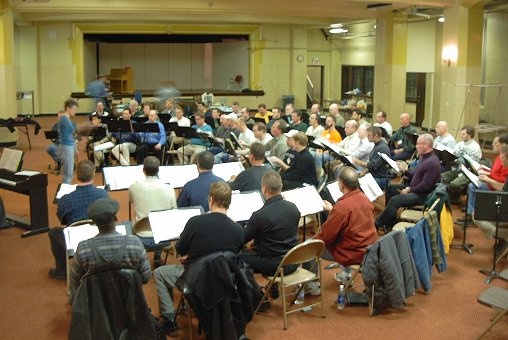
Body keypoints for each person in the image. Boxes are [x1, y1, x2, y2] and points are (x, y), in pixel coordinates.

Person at [154, 182, 245, 334]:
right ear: (229, 202)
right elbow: (231, 256)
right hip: (226, 280)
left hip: (196, 279)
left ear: (211, 200)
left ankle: (169, 320)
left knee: (159, 273)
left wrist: (191, 256)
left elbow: (179, 248)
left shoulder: (195, 222)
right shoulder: (238, 230)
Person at [69, 198, 151, 301]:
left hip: (96, 305)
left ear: (94, 222)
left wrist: (75, 301)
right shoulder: (135, 243)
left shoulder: (83, 249)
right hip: (130, 305)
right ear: (115, 218)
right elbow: (145, 277)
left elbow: (75, 280)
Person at [48, 160, 109, 280]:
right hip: (99, 236)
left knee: (54, 232)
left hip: (76, 239)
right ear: (92, 174)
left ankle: (62, 271)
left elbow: (63, 220)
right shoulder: (103, 194)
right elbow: (109, 216)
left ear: (77, 175)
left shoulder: (65, 199)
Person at [316, 166, 378, 283]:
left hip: (352, 253)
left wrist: (312, 242)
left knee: (309, 246)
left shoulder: (342, 207)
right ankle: (345, 275)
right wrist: (333, 210)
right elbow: (354, 217)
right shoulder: (366, 199)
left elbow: (326, 236)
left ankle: (312, 286)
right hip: (369, 248)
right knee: (347, 235)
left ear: (341, 185)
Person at [241, 172, 301, 278]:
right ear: (281, 187)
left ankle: (250, 292)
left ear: (264, 189)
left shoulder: (260, 215)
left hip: (274, 266)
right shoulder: (294, 208)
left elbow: (242, 239)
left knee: (236, 258)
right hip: (293, 261)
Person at [376, 134, 441, 231]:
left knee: (395, 200)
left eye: (418, 144)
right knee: (390, 189)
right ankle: (390, 220)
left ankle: (378, 222)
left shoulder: (432, 162)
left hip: (422, 195)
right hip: (415, 190)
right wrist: (404, 171)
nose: (416, 146)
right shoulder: (425, 157)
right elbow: (416, 174)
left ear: (426, 145)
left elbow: (425, 186)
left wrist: (409, 189)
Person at [129, 156, 177, 264]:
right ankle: (157, 257)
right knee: (161, 219)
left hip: (140, 235)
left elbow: (131, 201)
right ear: (158, 170)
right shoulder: (169, 188)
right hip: (164, 237)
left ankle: (141, 262)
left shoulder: (134, 187)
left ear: (143, 170)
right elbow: (174, 210)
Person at [473, 145, 508, 255]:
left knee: (477, 216)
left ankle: (503, 236)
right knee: (476, 214)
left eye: (502, 157)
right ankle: (502, 237)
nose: (500, 159)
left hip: (505, 209)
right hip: (503, 203)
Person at [465, 134, 508, 219]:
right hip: (490, 182)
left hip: (494, 187)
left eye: (496, 143)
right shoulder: (499, 157)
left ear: (504, 145)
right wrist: (486, 172)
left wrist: (488, 179)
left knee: (476, 186)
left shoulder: (505, 160)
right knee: (471, 185)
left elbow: (503, 182)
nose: (492, 144)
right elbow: (495, 173)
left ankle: (475, 213)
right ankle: (471, 211)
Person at [441, 125, 482, 204]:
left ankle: (455, 199)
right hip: (456, 169)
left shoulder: (475, 147)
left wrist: (459, 160)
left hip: (468, 172)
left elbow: (472, 165)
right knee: (442, 177)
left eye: (463, 134)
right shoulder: (459, 144)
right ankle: (446, 196)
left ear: (469, 135)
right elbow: (453, 155)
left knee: (455, 184)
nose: (461, 136)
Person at [57, 98, 79, 184]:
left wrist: (75, 148)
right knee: (68, 174)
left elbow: (71, 135)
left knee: (69, 173)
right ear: (68, 108)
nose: (75, 111)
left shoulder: (66, 118)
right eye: (74, 109)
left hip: (69, 146)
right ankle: (64, 194)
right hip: (66, 147)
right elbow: (74, 131)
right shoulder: (64, 119)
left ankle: (64, 192)